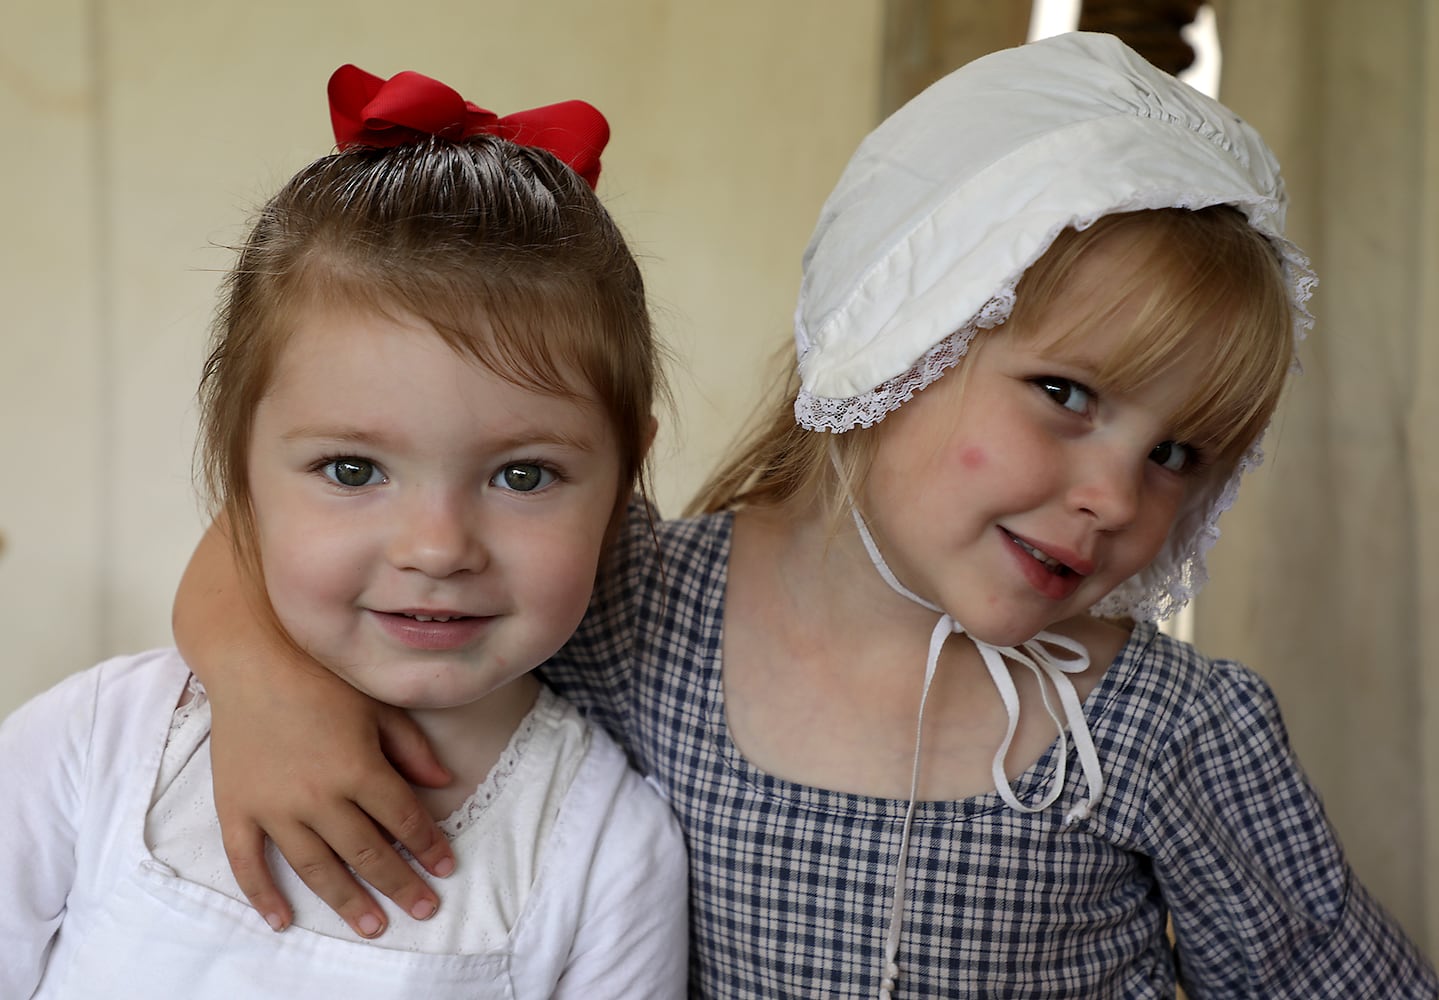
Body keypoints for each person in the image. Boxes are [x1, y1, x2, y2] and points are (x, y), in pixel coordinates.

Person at [170, 33, 1438, 998]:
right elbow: (286, 537)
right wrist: (265, 687)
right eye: (1063, 393)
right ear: (894, 331)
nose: (1114, 496)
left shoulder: (1169, 733)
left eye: (1178, 452)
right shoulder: (636, 607)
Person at [0, 64, 688, 999]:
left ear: (624, 477)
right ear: (238, 463)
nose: (439, 547)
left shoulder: (606, 849)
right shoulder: (93, 743)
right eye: (352, 470)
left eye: (523, 475)